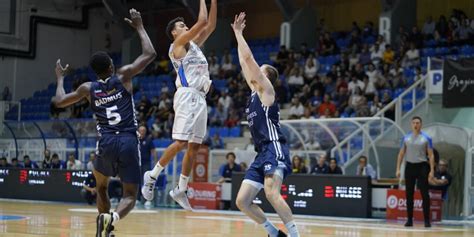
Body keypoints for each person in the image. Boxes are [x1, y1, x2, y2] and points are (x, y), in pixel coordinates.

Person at [51, 9, 156, 236]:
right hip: (128, 140)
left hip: (105, 142)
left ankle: (104, 229)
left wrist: (60, 78)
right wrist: (139, 27)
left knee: (100, 187)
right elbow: (149, 54)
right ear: (111, 66)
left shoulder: (88, 88)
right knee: (129, 195)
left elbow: (59, 102)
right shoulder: (123, 76)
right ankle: (111, 219)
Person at [141, 0, 217, 211]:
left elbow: (210, 25)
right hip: (187, 96)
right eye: (181, 26)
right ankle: (152, 175)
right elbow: (201, 21)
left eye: (185, 25)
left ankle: (181, 188)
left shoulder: (193, 47)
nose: (185, 27)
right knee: (181, 142)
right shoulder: (177, 46)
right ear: (175, 33)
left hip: (200, 98)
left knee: (194, 146)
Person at [231, 12, 300, 237]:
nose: (254, 71)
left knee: (271, 193)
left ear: (266, 77)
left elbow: (249, 60)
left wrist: (240, 34)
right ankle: (273, 232)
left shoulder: (267, 92)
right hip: (261, 153)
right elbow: (243, 61)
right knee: (242, 201)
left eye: (260, 70)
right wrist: (235, 34)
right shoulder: (253, 93)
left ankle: (295, 235)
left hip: (274, 147)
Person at [396, 116, 435, 228]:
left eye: (418, 123)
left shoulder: (427, 138)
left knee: (424, 194)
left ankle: (426, 220)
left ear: (421, 124)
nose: (416, 125)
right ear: (411, 124)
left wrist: (431, 171)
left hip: (422, 167)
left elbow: (431, 155)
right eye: (414, 123)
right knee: (409, 194)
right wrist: (398, 169)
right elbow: (401, 154)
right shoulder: (406, 138)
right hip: (410, 167)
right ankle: (409, 220)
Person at [138, 125, 157, 204]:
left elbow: (153, 151)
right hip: (137, 164)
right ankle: (137, 199)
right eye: (141, 130)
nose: (142, 132)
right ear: (138, 131)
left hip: (146, 163)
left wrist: (156, 162)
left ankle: (147, 200)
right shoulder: (135, 140)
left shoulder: (148, 140)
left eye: (144, 130)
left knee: (146, 181)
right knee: (137, 181)